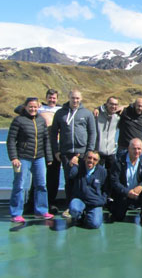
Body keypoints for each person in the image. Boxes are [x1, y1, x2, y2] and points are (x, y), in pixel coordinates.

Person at [7, 97, 54, 223]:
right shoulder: (19, 120)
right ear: (25, 107)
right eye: (30, 107)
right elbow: (11, 140)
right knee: (20, 185)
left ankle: (41, 211)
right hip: (22, 158)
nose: (33, 109)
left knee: (41, 185)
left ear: (38, 107)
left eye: (35, 107)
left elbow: (45, 140)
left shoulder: (41, 120)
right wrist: (14, 157)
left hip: (39, 158)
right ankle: (16, 213)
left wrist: (49, 157)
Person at [51, 89, 96, 218]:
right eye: (73, 98)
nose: (75, 101)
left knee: (82, 180)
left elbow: (92, 133)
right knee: (69, 180)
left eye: (77, 98)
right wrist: (56, 151)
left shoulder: (87, 113)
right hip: (66, 153)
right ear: (68, 98)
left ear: (81, 99)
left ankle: (83, 205)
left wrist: (89, 151)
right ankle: (70, 207)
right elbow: (54, 133)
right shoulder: (60, 113)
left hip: (82, 154)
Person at [17, 89, 62, 214]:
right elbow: (18, 109)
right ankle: (31, 203)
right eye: (50, 97)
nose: (52, 100)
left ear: (57, 99)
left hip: (55, 147)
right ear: (46, 97)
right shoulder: (39, 108)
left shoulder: (61, 110)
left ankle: (51, 202)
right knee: (38, 176)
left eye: (54, 98)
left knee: (53, 176)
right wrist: (35, 105)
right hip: (40, 146)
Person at [109, 138, 142, 222]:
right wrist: (127, 192)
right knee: (118, 217)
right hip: (123, 193)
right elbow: (114, 181)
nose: (137, 151)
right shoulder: (119, 161)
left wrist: (141, 186)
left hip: (138, 193)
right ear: (128, 149)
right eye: (134, 148)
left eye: (139, 149)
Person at [67, 151, 107, 229]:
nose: (91, 161)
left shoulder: (102, 171)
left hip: (94, 201)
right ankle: (79, 217)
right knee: (74, 209)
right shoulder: (79, 167)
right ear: (85, 158)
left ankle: (88, 215)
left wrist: (103, 200)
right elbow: (71, 175)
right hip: (80, 198)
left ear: (98, 162)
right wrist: (74, 165)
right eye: (89, 158)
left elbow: (106, 188)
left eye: (95, 159)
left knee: (95, 224)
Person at [95, 96, 120, 174]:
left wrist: (122, 107)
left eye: (116, 104)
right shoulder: (97, 115)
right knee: (96, 175)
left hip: (111, 152)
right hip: (98, 151)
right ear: (106, 104)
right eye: (111, 104)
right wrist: (97, 108)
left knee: (111, 176)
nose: (113, 106)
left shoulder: (117, 117)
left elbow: (131, 106)